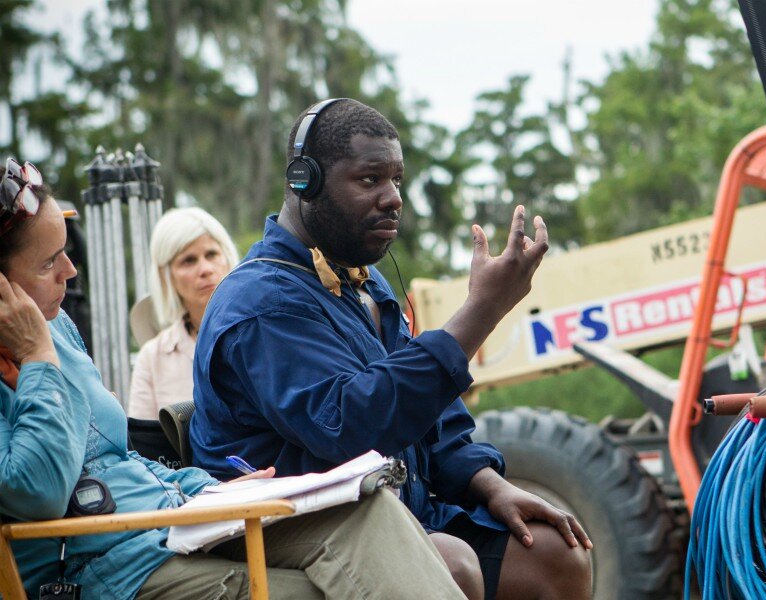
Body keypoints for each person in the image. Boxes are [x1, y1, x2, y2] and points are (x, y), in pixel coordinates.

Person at [0, 158, 466, 600]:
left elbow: (116, 459)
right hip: (103, 563)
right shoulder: (46, 340)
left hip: (170, 521)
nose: (70, 271)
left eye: (66, 253)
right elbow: (39, 491)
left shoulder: (54, 325)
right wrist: (37, 358)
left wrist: (207, 488)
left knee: (369, 509)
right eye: (48, 263)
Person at [191, 99, 593, 600]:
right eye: (369, 180)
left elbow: (430, 414)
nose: (393, 198)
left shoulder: (364, 283)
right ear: (304, 182)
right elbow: (349, 427)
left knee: (556, 555)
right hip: (301, 525)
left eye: (397, 180)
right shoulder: (262, 301)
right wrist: (482, 311)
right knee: (453, 564)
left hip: (397, 511)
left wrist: (492, 485)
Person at [128, 207, 239, 419]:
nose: (205, 269)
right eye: (189, 260)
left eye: (211, 254)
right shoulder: (152, 358)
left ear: (227, 256)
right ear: (165, 276)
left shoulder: (261, 331)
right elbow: (143, 436)